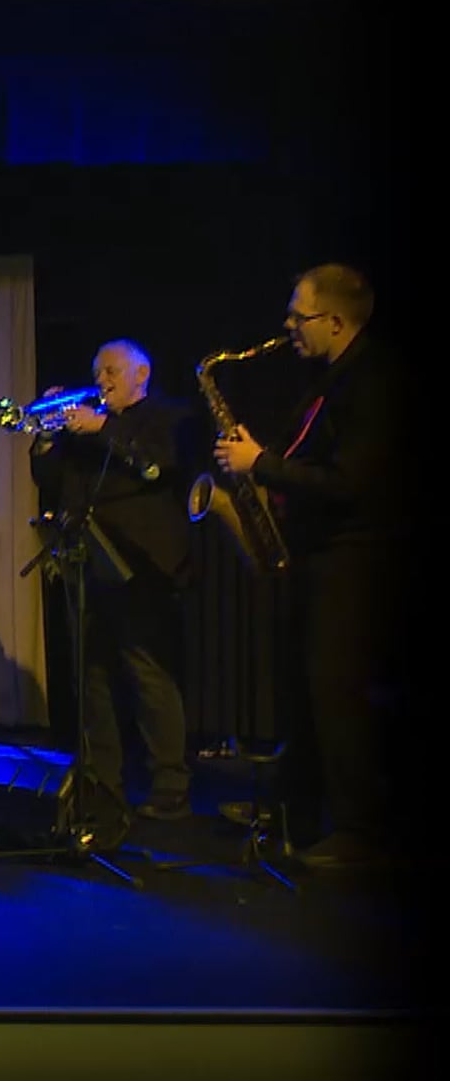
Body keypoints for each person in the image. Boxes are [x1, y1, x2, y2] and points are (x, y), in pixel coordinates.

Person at [211, 264, 403, 869]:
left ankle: (359, 831)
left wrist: (262, 464)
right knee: (306, 696)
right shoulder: (327, 381)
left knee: (337, 698)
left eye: (300, 315)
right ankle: (293, 808)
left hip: (351, 561)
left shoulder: (371, 382)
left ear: (337, 322)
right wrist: (259, 465)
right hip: (317, 558)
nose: (288, 325)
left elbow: (350, 482)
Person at [28, 340, 197, 820]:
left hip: (144, 564)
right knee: (91, 676)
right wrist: (46, 438)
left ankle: (170, 785)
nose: (100, 381)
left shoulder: (168, 416)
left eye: (110, 372)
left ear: (141, 375)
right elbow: (51, 480)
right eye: (97, 372)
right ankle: (103, 782)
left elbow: (156, 465)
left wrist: (102, 427)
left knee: (148, 673)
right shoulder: (86, 428)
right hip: (89, 559)